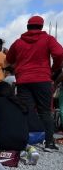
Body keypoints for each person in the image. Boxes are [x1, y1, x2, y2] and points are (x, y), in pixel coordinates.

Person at [6, 15, 63, 151]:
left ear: (27, 27)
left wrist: (19, 67)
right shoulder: (48, 39)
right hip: (42, 79)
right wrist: (53, 68)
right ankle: (49, 143)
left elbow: (9, 58)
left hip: (23, 80)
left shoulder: (18, 42)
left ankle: (22, 140)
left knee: (25, 110)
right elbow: (60, 53)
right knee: (45, 111)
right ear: (41, 27)